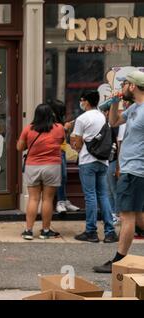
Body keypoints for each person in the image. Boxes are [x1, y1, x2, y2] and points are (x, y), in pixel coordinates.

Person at [94, 70, 144, 273]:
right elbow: (113, 122)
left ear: (132, 86)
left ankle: (119, 260)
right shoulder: (134, 109)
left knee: (127, 216)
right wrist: (114, 103)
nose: (121, 88)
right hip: (132, 168)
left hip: (135, 169)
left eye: (124, 84)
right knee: (138, 214)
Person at [70, 90, 118, 243]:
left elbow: (76, 143)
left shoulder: (82, 118)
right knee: (103, 195)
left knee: (90, 196)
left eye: (82, 100)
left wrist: (79, 143)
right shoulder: (102, 117)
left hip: (87, 161)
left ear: (86, 101)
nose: (81, 103)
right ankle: (110, 232)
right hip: (103, 161)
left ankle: (91, 231)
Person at [17, 103, 65, 240]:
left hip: (33, 166)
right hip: (52, 166)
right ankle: (45, 231)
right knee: (48, 199)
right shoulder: (59, 128)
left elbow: (19, 147)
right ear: (52, 115)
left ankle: (28, 230)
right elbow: (62, 142)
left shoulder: (28, 129)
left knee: (33, 198)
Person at [47, 99, 80, 216]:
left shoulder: (58, 122)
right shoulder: (50, 123)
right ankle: (60, 202)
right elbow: (53, 137)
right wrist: (65, 129)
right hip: (56, 152)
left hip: (62, 151)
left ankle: (64, 200)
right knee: (61, 177)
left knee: (64, 177)